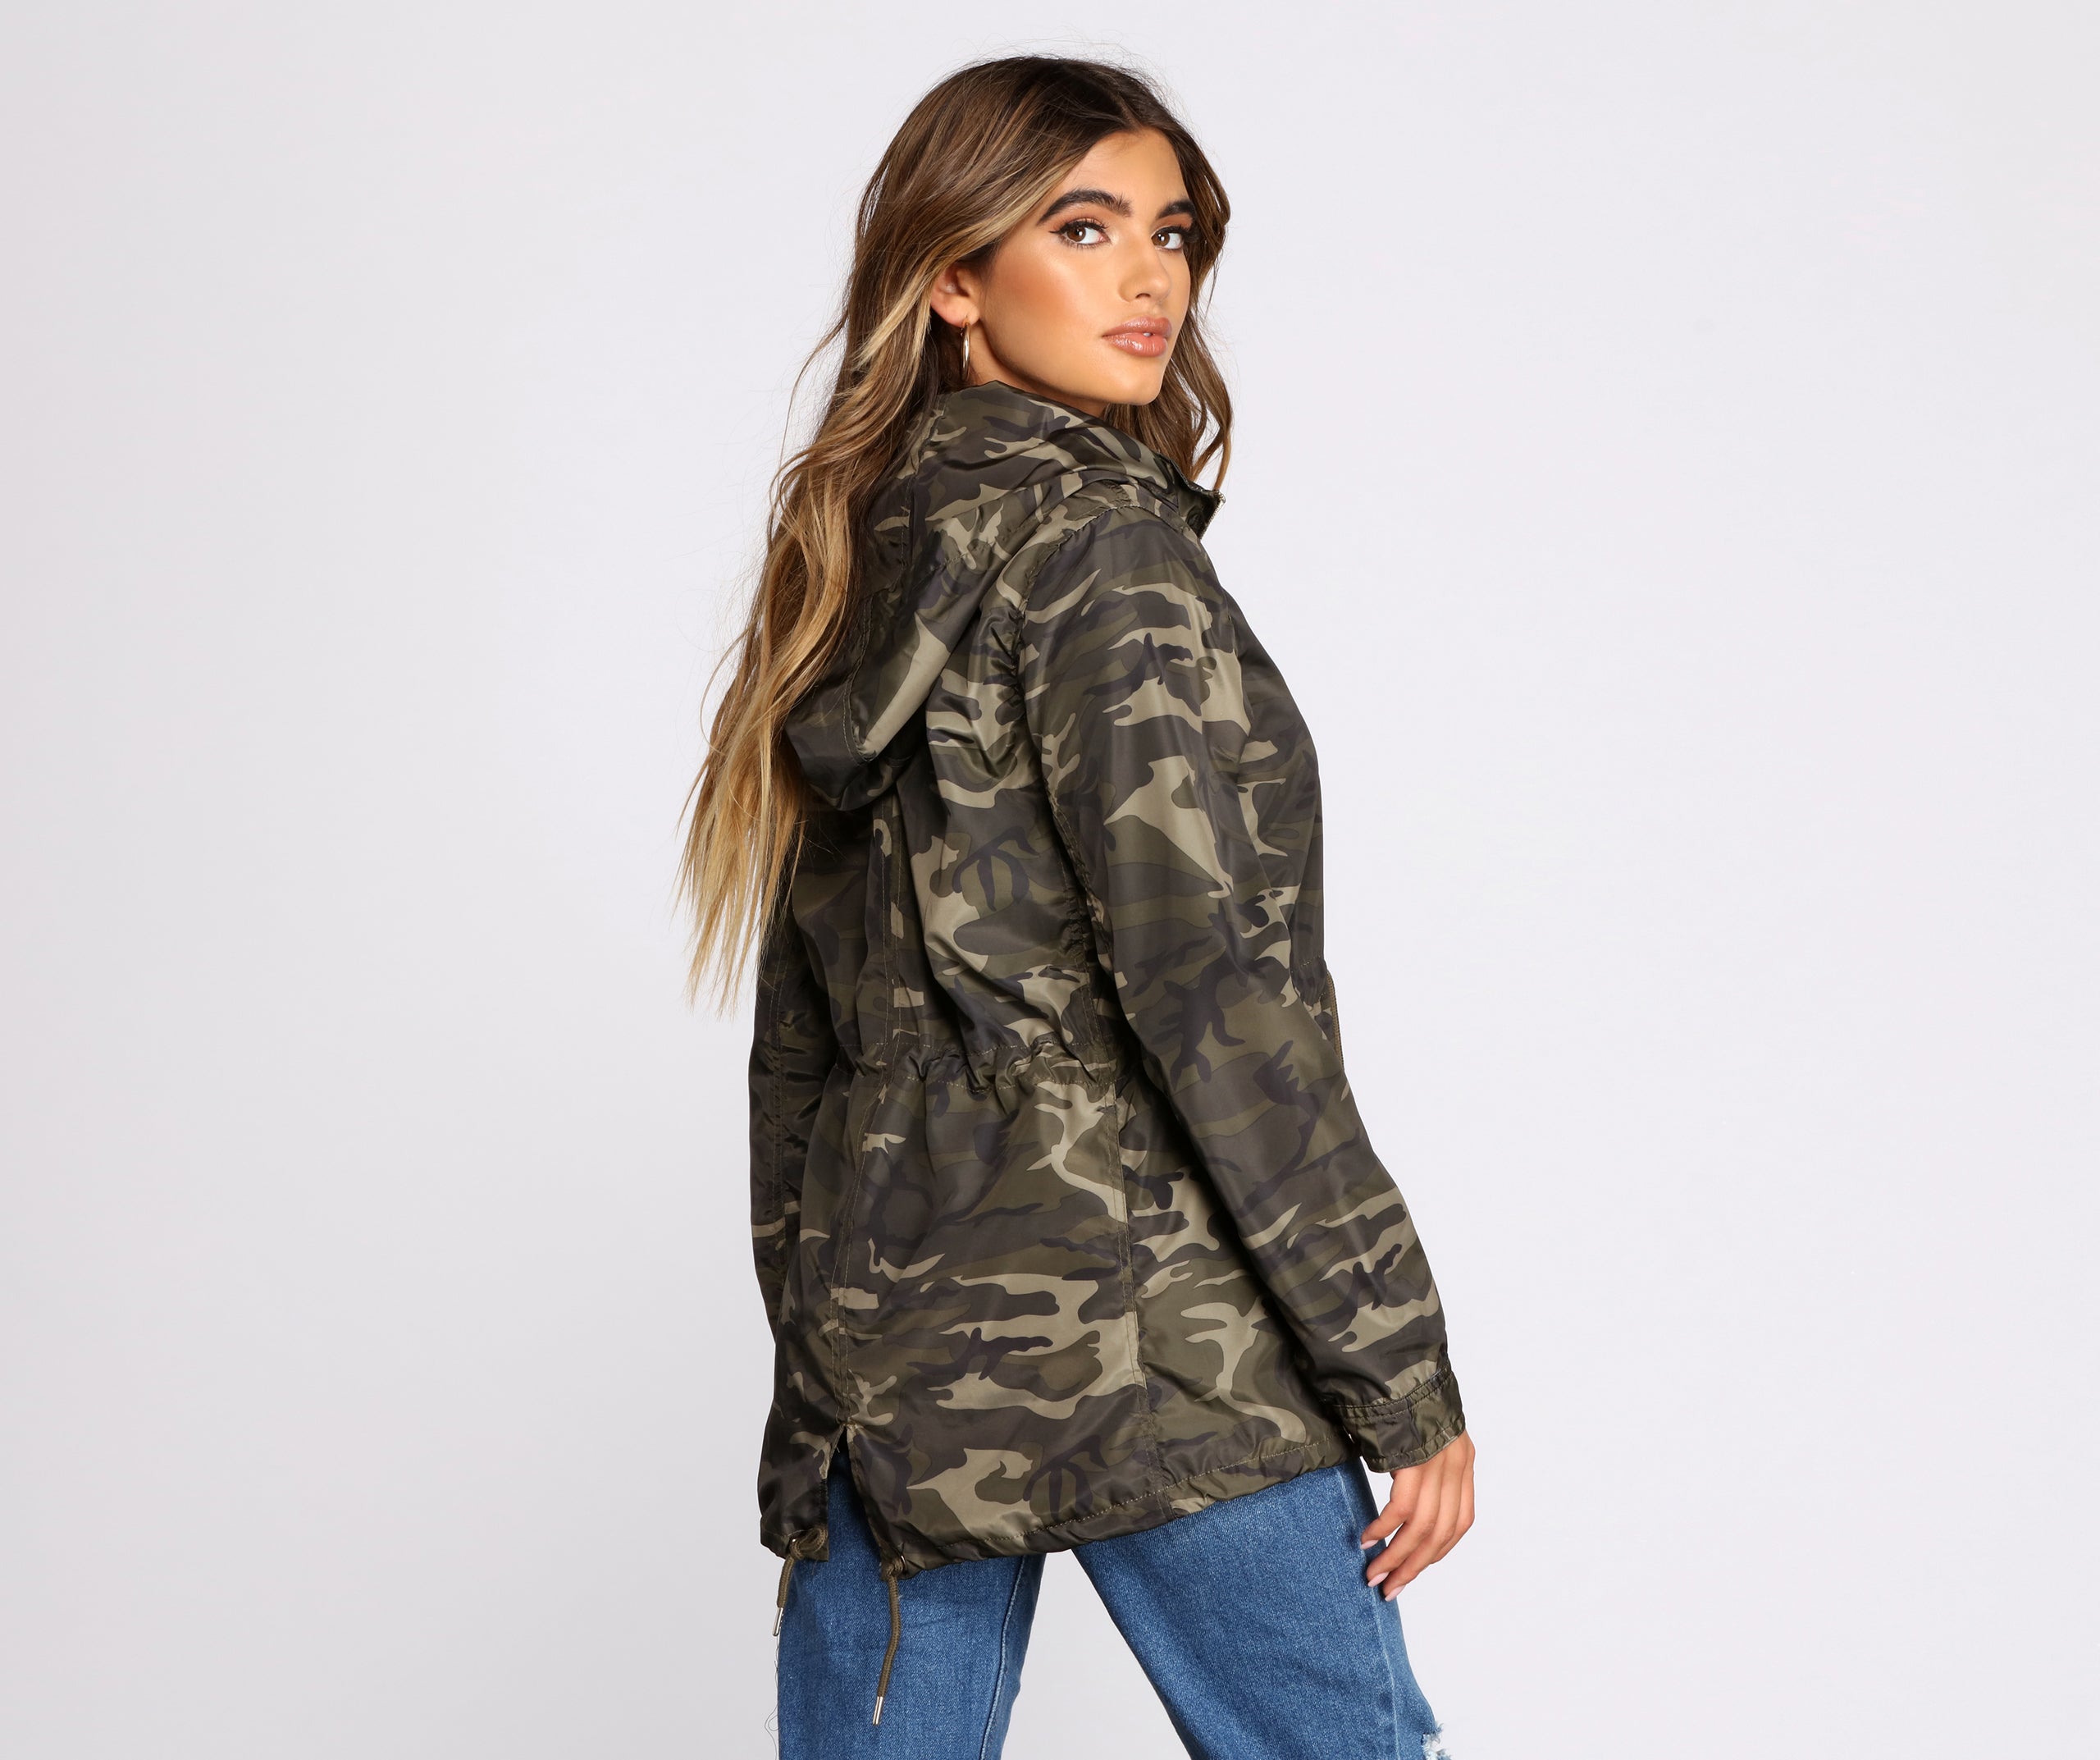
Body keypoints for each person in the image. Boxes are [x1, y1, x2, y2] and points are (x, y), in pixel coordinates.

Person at [678, 54, 1476, 1760]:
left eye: (1170, 233)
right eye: (1085, 227)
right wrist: (1397, 1366)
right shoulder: (1102, 553)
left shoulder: (857, 563)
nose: (1149, 279)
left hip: (892, 1354)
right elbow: (1214, 999)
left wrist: (823, 1362)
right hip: (1157, 1336)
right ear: (955, 278)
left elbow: (796, 1057)